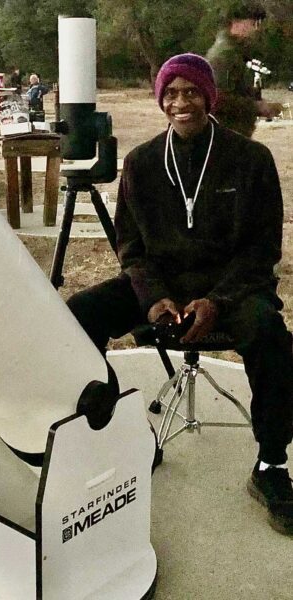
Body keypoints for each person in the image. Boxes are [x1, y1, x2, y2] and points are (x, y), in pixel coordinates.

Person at [67, 53, 293, 536]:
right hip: (161, 289)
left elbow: (261, 250)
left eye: (191, 91)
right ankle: (127, 437)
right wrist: (152, 298)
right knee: (78, 315)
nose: (180, 101)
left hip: (231, 288)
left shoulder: (251, 159)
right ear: (160, 101)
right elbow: (130, 248)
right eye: (171, 93)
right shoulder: (140, 163)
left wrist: (218, 302)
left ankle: (271, 467)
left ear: (208, 97)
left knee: (271, 335)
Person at [206, 2, 272, 137]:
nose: (257, 29)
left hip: (235, 133)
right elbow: (217, 98)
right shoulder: (224, 54)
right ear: (236, 23)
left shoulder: (237, 52)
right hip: (227, 134)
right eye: (253, 24)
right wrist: (255, 106)